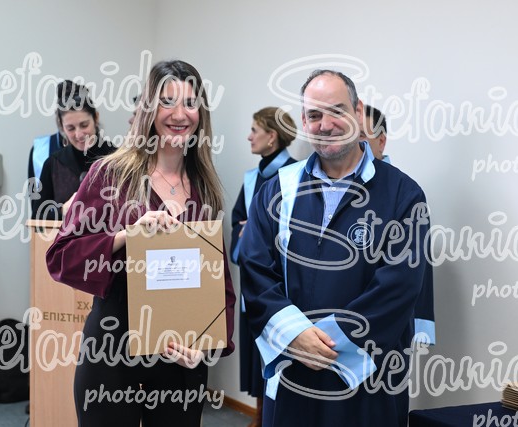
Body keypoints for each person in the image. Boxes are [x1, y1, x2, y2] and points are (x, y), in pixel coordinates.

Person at [45, 60, 236, 427]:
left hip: (180, 357)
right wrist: (127, 236)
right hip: (113, 349)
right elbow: (62, 256)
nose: (179, 114)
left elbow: (218, 281)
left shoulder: (205, 187)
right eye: (167, 102)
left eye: (190, 103)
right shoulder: (109, 174)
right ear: (149, 108)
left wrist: (206, 344)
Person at [238, 70, 431, 426]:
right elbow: (255, 269)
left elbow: (399, 286)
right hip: (293, 368)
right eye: (314, 115)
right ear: (303, 122)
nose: (325, 125)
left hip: (368, 378)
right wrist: (295, 334)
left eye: (336, 111)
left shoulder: (403, 195)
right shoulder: (278, 189)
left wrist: (330, 343)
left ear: (358, 112)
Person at [230, 107, 297, 427]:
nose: (249, 136)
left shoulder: (296, 176)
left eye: (255, 130)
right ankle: (260, 414)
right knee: (256, 352)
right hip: (252, 281)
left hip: (282, 282)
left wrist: (256, 233)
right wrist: (246, 236)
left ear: (272, 136)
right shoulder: (251, 178)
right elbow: (237, 224)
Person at [360, 105, 435, 345]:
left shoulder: (404, 193)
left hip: (386, 327)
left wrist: (421, 326)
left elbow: (410, 272)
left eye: (362, 136)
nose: (353, 144)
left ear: (381, 141)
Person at [31, 80, 115, 220]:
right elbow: (37, 216)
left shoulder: (116, 158)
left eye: (84, 125)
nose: (79, 134)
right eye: (70, 128)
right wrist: (61, 210)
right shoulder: (53, 164)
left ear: (96, 117)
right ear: (61, 126)